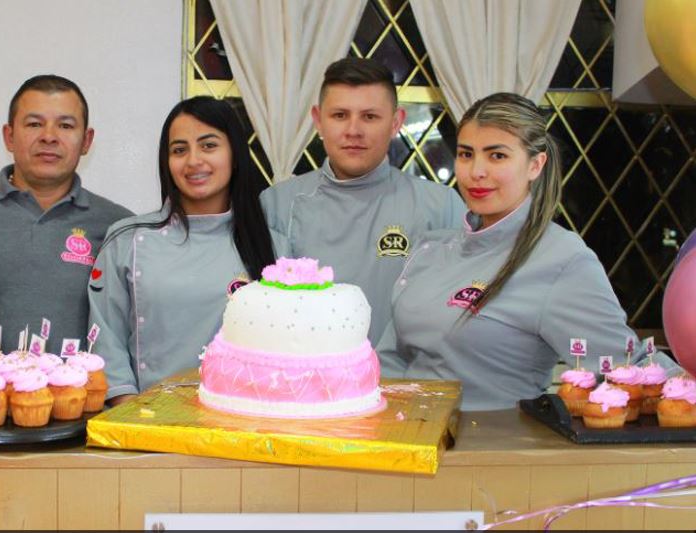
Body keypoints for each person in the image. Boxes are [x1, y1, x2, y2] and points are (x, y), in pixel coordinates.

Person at [376, 92, 679, 410]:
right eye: (466, 154)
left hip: (491, 451)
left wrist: (684, 390)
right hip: (404, 442)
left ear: (535, 164)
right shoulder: (431, 249)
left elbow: (629, 364)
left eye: (497, 156)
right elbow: (390, 359)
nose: (476, 171)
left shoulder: (560, 259)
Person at [88, 96, 282, 402]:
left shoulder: (273, 246)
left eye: (209, 146)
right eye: (179, 150)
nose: (193, 161)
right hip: (145, 426)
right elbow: (105, 341)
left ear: (235, 154)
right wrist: (134, 416)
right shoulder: (127, 240)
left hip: (241, 428)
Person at [260, 57, 465, 345]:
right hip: (308, 382)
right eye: (340, 115)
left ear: (396, 123)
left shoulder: (440, 206)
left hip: (408, 381)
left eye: (370, 116)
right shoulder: (277, 205)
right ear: (318, 120)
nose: (353, 130)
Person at [0, 75, 132, 353]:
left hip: (84, 396)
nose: (49, 136)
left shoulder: (119, 228)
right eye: (34, 124)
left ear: (86, 141)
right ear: (9, 136)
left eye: (65, 125)